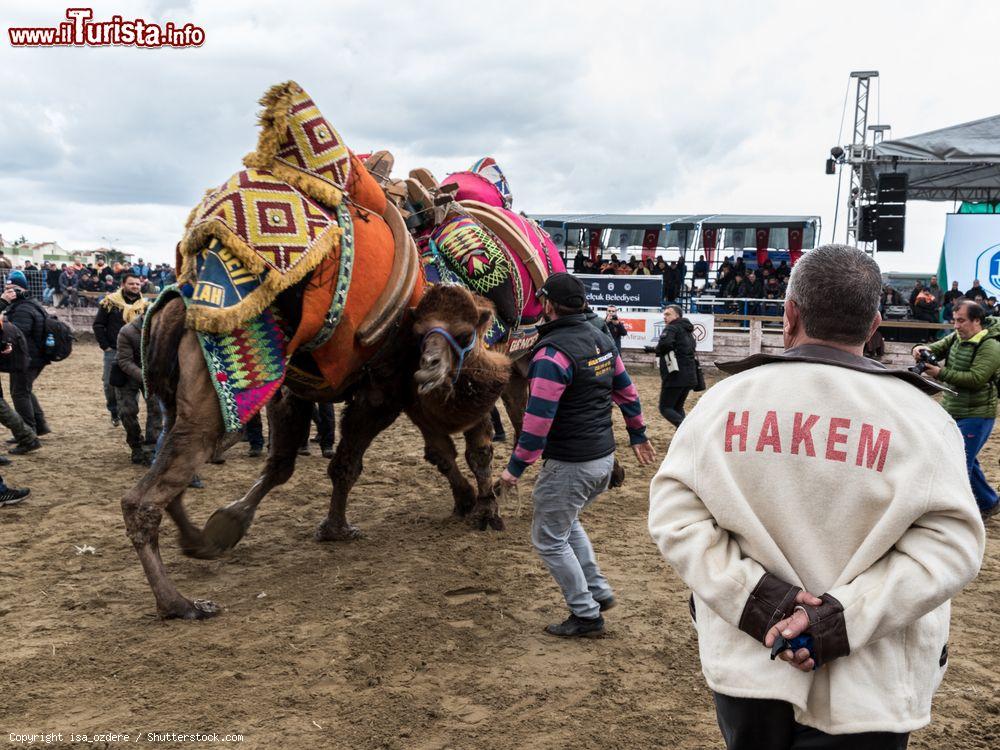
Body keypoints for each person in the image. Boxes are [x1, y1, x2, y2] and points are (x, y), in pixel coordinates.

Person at [649, 244, 985, 748]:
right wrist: (837, 619)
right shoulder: (925, 421)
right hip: (872, 681)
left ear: (789, 314)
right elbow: (951, 547)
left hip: (753, 660)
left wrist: (763, 604)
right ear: (875, 325)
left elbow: (677, 518)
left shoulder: (721, 404)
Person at [497, 272, 655, 638]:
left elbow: (536, 423)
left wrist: (514, 469)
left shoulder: (553, 354)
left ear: (548, 305)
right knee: (566, 524)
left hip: (571, 463)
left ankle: (586, 614)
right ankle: (597, 592)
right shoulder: (600, 338)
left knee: (549, 538)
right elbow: (628, 393)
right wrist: (637, 434)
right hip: (601, 457)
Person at [914, 300, 1000, 518]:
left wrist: (939, 374)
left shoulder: (991, 346)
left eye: (961, 321)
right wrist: (920, 349)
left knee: (957, 463)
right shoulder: (956, 337)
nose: (956, 326)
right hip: (952, 409)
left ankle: (961, 512)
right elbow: (935, 348)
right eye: (954, 321)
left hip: (977, 414)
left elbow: (976, 379)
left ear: (977, 321)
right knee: (964, 459)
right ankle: (989, 502)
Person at [93, 274, 148, 427]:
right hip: (114, 349)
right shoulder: (110, 302)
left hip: (137, 351)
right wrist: (106, 346)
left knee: (134, 381)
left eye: (138, 284)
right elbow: (98, 325)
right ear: (123, 284)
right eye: (132, 284)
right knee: (109, 384)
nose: (135, 286)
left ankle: (130, 414)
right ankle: (114, 410)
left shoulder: (145, 306)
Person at [4, 271, 50, 435]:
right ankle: (40, 427)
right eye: (7, 288)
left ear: (22, 289)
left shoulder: (22, 309)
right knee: (25, 390)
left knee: (19, 393)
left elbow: (16, 334)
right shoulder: (28, 304)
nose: (10, 292)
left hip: (27, 358)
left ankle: (28, 431)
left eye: (13, 288)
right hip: (33, 357)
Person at [114, 314, 162, 464]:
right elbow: (124, 361)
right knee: (126, 412)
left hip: (152, 374)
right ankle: (136, 445)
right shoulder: (127, 331)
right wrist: (146, 378)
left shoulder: (164, 330)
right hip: (126, 375)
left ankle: (151, 449)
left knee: (156, 410)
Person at [0, 290, 40, 456]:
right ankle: (29, 435)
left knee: (4, 406)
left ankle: (27, 437)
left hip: (25, 358)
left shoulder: (25, 308)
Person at [645, 305, 698, 426]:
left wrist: (656, 349)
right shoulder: (687, 329)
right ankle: (683, 436)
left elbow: (665, 344)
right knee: (677, 408)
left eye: (668, 314)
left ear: (677, 316)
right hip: (689, 375)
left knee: (665, 408)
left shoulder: (671, 328)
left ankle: (687, 430)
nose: (665, 317)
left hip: (675, 375)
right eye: (664, 314)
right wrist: (655, 349)